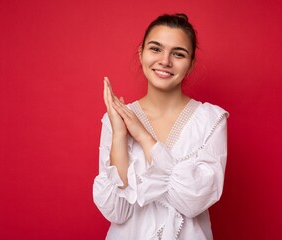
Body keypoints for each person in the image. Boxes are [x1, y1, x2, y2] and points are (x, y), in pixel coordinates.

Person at [93, 13, 229, 240]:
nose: (165, 61)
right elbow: (117, 211)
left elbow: (192, 202)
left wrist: (145, 139)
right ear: (141, 53)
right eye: (155, 49)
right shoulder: (116, 118)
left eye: (178, 53)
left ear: (191, 63)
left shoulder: (211, 119)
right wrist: (119, 135)